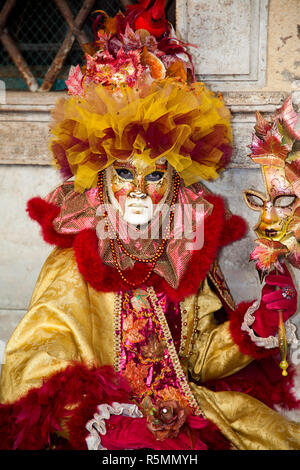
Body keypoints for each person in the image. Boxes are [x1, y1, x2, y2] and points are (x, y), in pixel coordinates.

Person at [0, 1, 300, 451]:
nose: (139, 189)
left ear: (177, 184)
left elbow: (198, 361)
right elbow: (31, 365)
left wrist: (259, 321)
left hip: (189, 411)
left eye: (155, 175)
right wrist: (102, 419)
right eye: (124, 173)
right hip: (111, 430)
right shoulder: (74, 265)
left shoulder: (182, 253)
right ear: (99, 182)